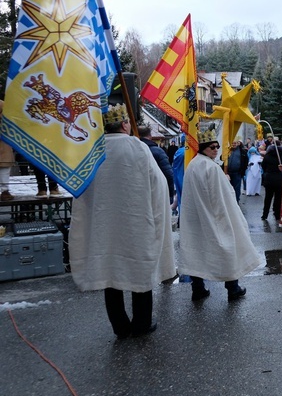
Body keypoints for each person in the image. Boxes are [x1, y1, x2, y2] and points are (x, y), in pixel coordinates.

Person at [69, 104, 174, 338]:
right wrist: (159, 216)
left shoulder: (92, 151)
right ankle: (142, 324)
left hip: (104, 224)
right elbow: (158, 185)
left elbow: (81, 191)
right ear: (125, 124)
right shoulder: (138, 147)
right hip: (136, 222)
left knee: (111, 274)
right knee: (140, 271)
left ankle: (120, 327)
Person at [178, 128, 262, 302]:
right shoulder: (211, 168)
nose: (216, 150)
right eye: (211, 147)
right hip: (213, 216)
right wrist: (227, 182)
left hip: (196, 217)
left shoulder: (193, 165)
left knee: (197, 250)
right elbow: (222, 196)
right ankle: (233, 288)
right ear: (202, 148)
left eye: (217, 146)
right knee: (228, 247)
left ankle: (198, 289)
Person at [138, 123, 175, 204]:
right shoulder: (158, 152)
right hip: (157, 191)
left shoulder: (133, 150)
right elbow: (168, 174)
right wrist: (170, 194)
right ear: (150, 136)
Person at [260, 140, 282, 221]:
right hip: (279, 178)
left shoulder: (267, 156)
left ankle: (265, 214)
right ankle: (277, 214)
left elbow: (263, 166)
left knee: (268, 197)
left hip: (269, 178)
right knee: (278, 198)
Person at [225, 138, 248, 203]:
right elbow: (222, 158)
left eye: (235, 143)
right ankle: (229, 202)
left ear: (238, 143)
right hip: (228, 173)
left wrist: (243, 170)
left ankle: (236, 201)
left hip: (237, 172)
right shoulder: (228, 150)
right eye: (232, 143)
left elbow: (246, 161)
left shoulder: (242, 151)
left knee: (236, 188)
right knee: (228, 188)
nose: (234, 144)